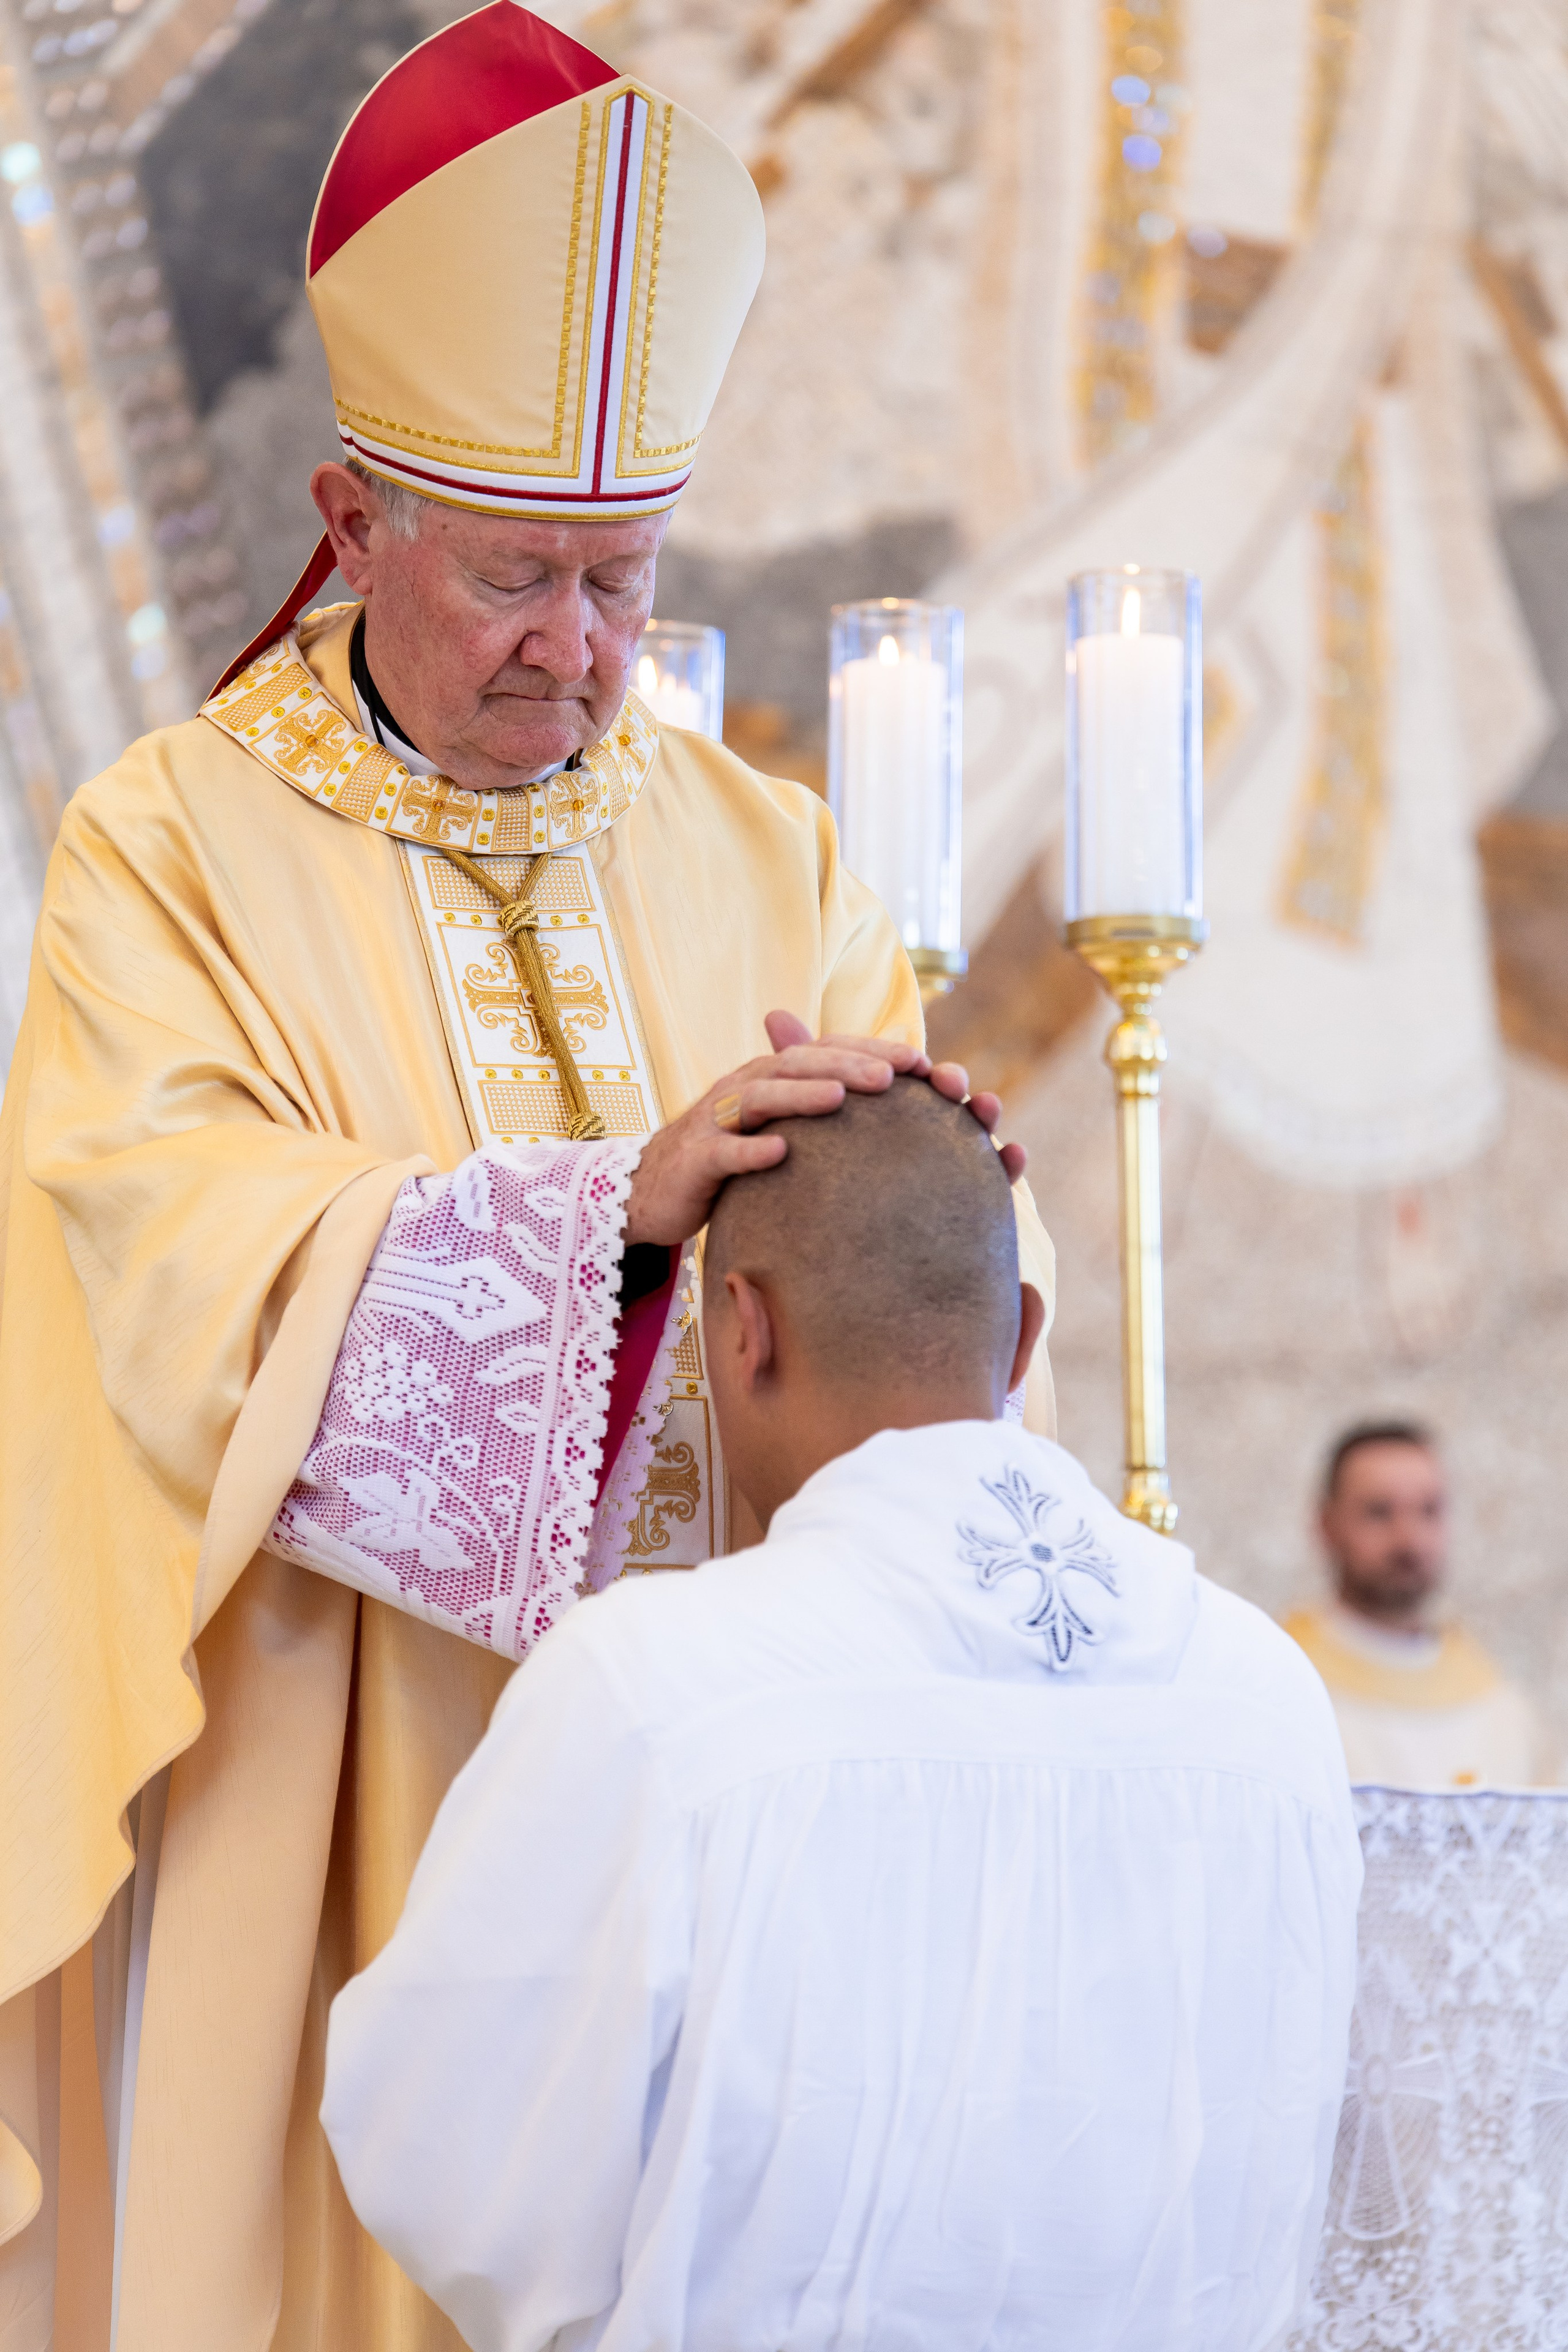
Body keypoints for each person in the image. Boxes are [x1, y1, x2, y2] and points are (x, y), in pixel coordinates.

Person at [0, 11, 1058, 2345]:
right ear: (349, 517)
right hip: (332, 1797)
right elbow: (158, 1272)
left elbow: (918, 1313)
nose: (579, 656)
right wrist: (611, 1230)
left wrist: (968, 1207)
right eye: (514, 577)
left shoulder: (768, 859)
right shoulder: (166, 850)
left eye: (622, 576)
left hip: (725, 1856)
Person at [323, 1079, 1363, 2352]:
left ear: (743, 1327)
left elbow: (441, 2154)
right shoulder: (1268, 1703)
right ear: (1022, 1332)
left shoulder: (649, 1688)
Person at [1286, 1422, 1553, 1789]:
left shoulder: (1500, 1704)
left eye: (1429, 1511)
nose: (1409, 1540)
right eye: (1379, 1512)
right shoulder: (1285, 1683)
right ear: (1326, 1525)